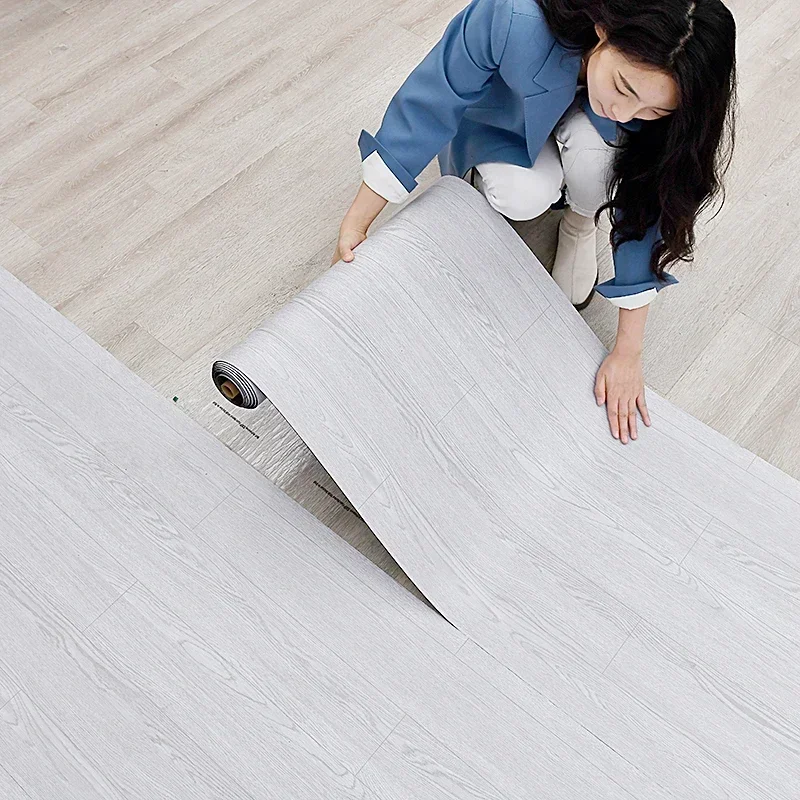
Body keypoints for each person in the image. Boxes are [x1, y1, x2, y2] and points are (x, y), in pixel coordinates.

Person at [333, 0, 737, 444]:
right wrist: (358, 221)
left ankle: (579, 222)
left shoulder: (648, 101)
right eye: (623, 87)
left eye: (653, 112)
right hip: (501, 125)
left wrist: (628, 351)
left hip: (590, 136)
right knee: (521, 195)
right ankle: (486, 184)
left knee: (602, 170)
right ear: (604, 29)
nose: (626, 113)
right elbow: (431, 101)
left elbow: (646, 201)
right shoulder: (513, 17)